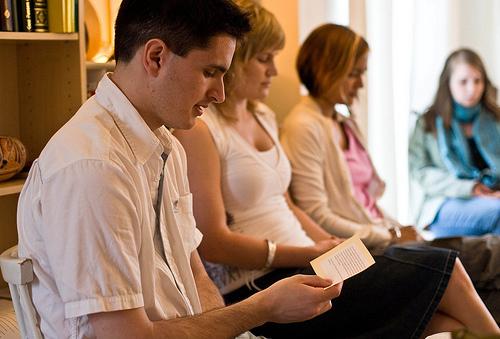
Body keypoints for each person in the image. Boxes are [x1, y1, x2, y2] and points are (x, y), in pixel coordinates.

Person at [15, 1, 344, 338]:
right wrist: (261, 308)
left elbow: (197, 277)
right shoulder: (92, 169)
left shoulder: (167, 146)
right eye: (210, 72)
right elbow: (125, 336)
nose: (219, 93)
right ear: (155, 57)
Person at [174, 7, 500, 337]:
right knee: (449, 270)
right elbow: (214, 244)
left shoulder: (265, 117)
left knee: (450, 316)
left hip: (308, 260)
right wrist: (312, 251)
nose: (274, 70)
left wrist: (329, 243)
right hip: (264, 280)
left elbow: (289, 205)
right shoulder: (203, 129)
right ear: (238, 59)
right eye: (265, 59)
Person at [409, 48, 500, 238]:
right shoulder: (427, 122)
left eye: (477, 81)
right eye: (463, 82)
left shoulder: (495, 118)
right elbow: (422, 173)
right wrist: (471, 188)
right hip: (446, 201)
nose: (472, 89)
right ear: (448, 83)